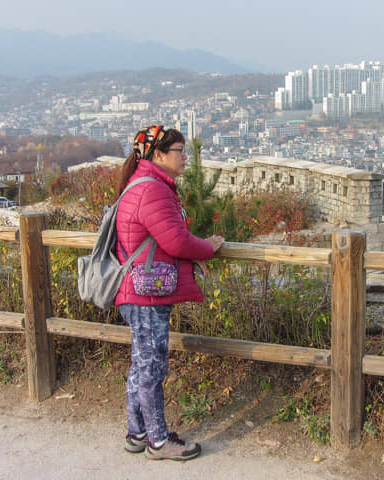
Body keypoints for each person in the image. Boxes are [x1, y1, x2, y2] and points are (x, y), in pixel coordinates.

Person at [114, 125, 224, 461]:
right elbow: (175, 240)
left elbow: (163, 238)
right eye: (179, 150)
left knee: (141, 365)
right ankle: (159, 442)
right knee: (151, 368)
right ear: (158, 154)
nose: (185, 157)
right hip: (147, 294)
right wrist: (208, 247)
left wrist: (191, 254)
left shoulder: (143, 185)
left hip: (137, 289)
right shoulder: (153, 190)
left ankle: (138, 433)